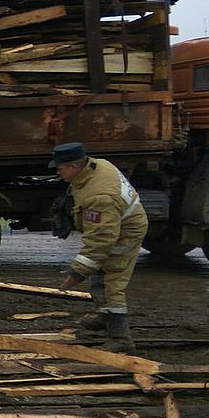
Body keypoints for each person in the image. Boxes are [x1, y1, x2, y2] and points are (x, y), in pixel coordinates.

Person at [51, 142, 148, 353]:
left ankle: (121, 338)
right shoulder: (95, 166)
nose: (58, 174)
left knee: (112, 279)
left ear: (74, 167)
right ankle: (106, 315)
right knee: (100, 274)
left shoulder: (101, 197)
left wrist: (78, 271)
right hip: (115, 223)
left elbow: (100, 240)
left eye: (60, 169)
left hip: (124, 231)